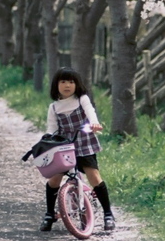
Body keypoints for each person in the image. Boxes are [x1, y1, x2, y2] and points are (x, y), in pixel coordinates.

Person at [39, 67, 116, 232]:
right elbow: (52, 127)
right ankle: (49, 213)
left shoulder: (82, 99)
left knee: (94, 176)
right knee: (54, 180)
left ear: (77, 84)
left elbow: (90, 112)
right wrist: (47, 136)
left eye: (71, 82)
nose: (67, 85)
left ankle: (108, 214)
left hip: (84, 142)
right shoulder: (54, 107)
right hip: (63, 146)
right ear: (56, 85)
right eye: (63, 82)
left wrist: (94, 123)